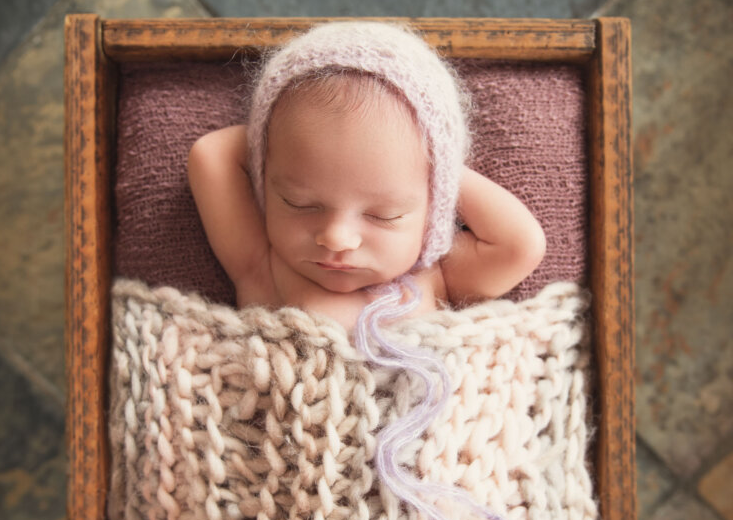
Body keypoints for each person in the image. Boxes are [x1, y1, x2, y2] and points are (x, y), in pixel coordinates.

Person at [187, 20, 546, 335]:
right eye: (301, 204)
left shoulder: (436, 279)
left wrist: (440, 165)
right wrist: (272, 137)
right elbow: (211, 155)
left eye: (384, 215)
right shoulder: (262, 267)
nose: (337, 238)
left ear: (433, 208)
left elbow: (520, 245)